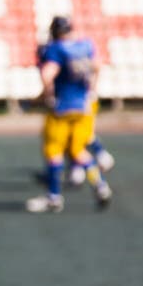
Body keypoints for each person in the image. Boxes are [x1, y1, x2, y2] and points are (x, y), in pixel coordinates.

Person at [27, 16, 113, 212]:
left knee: (53, 151)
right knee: (77, 150)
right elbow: (97, 66)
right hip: (82, 105)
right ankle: (101, 186)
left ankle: (54, 197)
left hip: (62, 107)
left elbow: (47, 74)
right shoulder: (85, 46)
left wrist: (48, 96)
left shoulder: (56, 49)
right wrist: (92, 89)